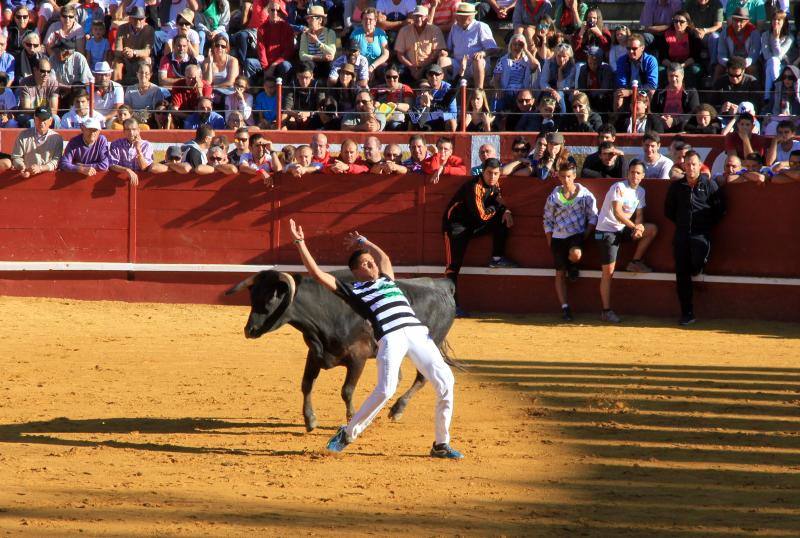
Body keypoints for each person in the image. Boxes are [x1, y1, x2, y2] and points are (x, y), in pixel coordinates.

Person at [288, 219, 463, 459]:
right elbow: (317, 274)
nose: (372, 265)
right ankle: (348, 433)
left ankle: (441, 444)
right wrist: (300, 243)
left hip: (417, 332)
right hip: (391, 337)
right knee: (385, 390)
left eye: (371, 262)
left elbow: (386, 260)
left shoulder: (387, 280)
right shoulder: (355, 291)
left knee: (446, 383)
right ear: (357, 272)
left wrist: (366, 242)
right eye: (366, 264)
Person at [442, 158, 518, 314]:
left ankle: (497, 258)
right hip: (456, 227)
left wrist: (506, 211)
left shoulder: (495, 185)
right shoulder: (475, 186)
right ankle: (452, 307)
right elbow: (482, 216)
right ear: (482, 172)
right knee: (453, 267)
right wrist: (499, 207)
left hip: (472, 225)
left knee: (502, 219)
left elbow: (498, 202)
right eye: (489, 173)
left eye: (496, 173)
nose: (492, 176)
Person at [594, 159, 659, 323]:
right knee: (608, 272)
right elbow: (617, 212)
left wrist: (639, 228)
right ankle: (606, 311)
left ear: (643, 175)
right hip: (607, 231)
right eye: (632, 172)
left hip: (623, 230)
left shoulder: (641, 192)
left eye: (638, 173)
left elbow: (639, 216)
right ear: (627, 173)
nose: (634, 176)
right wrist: (634, 227)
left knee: (651, 229)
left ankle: (635, 261)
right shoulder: (619, 187)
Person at [665, 150, 725, 325]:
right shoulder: (677, 187)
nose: (690, 167)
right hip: (682, 233)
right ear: (683, 166)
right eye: (687, 164)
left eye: (694, 164)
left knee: (698, 253)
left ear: (700, 166)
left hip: (701, 233)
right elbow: (668, 210)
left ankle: (697, 267)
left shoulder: (709, 185)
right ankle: (687, 312)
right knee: (681, 273)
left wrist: (705, 225)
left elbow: (719, 209)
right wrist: (683, 223)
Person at [543, 161, 598, 321]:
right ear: (558, 177)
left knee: (576, 254)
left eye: (568, 176)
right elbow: (547, 220)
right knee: (559, 273)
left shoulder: (584, 194)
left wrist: (585, 235)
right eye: (562, 176)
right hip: (558, 237)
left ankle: (573, 265)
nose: (566, 179)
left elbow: (593, 215)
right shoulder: (553, 197)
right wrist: (550, 240)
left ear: (574, 176)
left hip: (576, 235)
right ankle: (565, 307)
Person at [447, 2, 499, 89]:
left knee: (478, 60)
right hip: (458, 64)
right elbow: (449, 48)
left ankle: (478, 91)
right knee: (443, 60)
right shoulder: (454, 27)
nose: (457, 17)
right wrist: (444, 53)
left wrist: (483, 53)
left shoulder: (481, 27)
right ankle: (444, 94)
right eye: (458, 15)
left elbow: (493, 48)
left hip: (475, 65)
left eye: (460, 15)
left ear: (469, 17)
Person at [394, 5, 449, 84]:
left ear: (427, 17)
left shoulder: (435, 30)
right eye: (416, 16)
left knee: (432, 75)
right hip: (409, 67)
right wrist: (411, 67)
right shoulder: (404, 30)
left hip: (429, 66)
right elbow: (400, 54)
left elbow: (436, 52)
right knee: (395, 74)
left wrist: (422, 68)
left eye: (421, 16)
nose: (418, 19)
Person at [7, 107, 63, 177]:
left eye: (44, 119)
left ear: (50, 121)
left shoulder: (57, 138)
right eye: (39, 119)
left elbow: (56, 161)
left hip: (47, 177)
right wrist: (22, 166)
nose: (41, 122)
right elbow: (16, 157)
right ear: (34, 120)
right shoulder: (23, 135)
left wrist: (41, 168)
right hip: (26, 176)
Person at [109, 118, 167, 185]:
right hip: (119, 183)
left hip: (141, 183)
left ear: (138, 130)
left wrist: (138, 149)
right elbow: (111, 165)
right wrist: (126, 170)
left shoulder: (146, 145)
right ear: (124, 131)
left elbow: (144, 168)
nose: (131, 133)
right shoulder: (116, 144)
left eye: (134, 129)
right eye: (128, 130)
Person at [614, 33, 658, 111]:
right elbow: (622, 83)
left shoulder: (651, 60)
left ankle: (649, 118)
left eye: (634, 48)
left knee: (651, 92)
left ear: (642, 48)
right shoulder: (622, 60)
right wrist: (626, 91)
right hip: (628, 89)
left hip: (644, 92)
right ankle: (618, 119)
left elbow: (652, 85)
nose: (630, 51)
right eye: (628, 48)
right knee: (618, 94)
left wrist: (631, 92)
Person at [651, 63, 700, 132]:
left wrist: (674, 121)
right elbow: (653, 110)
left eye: (676, 76)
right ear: (667, 77)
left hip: (681, 125)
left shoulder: (691, 92)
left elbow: (692, 112)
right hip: (662, 124)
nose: (674, 79)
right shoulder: (660, 91)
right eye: (671, 76)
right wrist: (661, 118)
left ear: (682, 76)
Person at [113, 7, 154, 85]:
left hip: (139, 58)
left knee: (146, 60)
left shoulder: (149, 30)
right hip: (124, 58)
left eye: (140, 19)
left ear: (144, 19)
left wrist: (134, 52)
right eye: (135, 19)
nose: (138, 21)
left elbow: (147, 51)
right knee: (116, 63)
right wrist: (125, 52)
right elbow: (117, 50)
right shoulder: (122, 28)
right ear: (130, 18)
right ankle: (116, 89)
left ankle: (144, 86)